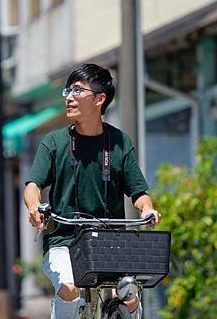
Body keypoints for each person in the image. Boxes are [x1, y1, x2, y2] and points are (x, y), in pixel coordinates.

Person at [23, 63, 161, 319]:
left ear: (100, 98)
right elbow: (33, 185)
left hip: (111, 241)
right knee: (69, 288)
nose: (69, 97)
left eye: (77, 90)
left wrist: (148, 208)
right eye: (67, 91)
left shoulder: (120, 142)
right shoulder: (54, 143)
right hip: (64, 242)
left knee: (130, 293)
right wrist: (34, 208)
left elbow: (139, 191)